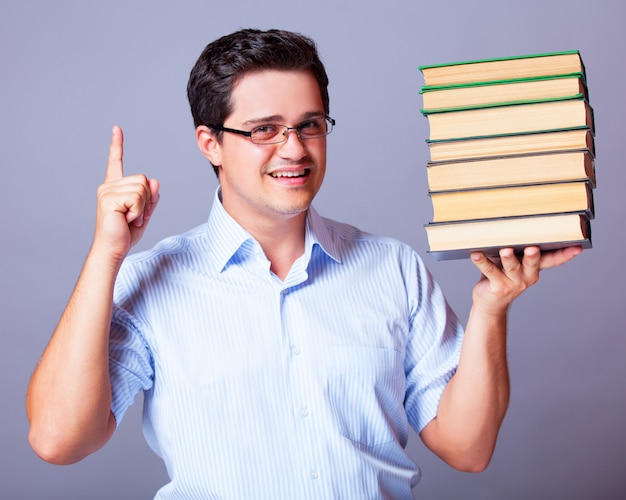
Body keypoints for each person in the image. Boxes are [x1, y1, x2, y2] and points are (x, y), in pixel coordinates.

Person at [26, 28, 582, 498]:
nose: (294, 149)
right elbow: (58, 439)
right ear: (210, 143)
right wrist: (107, 254)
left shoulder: (393, 269)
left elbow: (468, 448)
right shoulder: (152, 278)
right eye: (265, 129)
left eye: (310, 124)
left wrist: (492, 305)